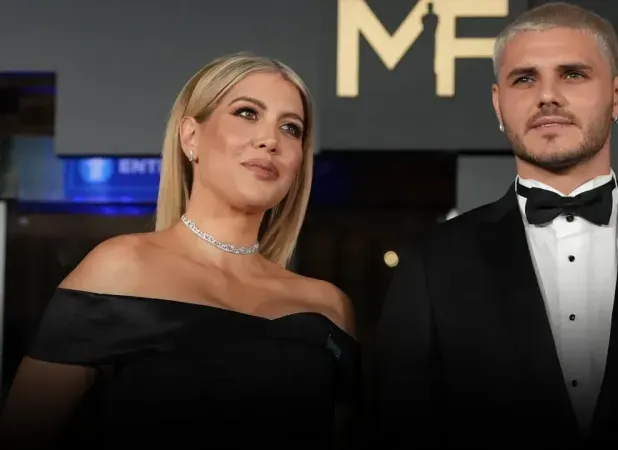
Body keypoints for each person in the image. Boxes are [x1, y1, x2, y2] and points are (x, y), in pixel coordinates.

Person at [366, 3, 618, 449]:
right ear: (499, 104)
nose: (547, 96)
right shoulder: (431, 265)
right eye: (525, 79)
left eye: (573, 74)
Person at [0, 54, 358, 449]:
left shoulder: (329, 308)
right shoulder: (121, 269)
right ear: (191, 137)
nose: (270, 140)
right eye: (247, 113)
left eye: (290, 128)